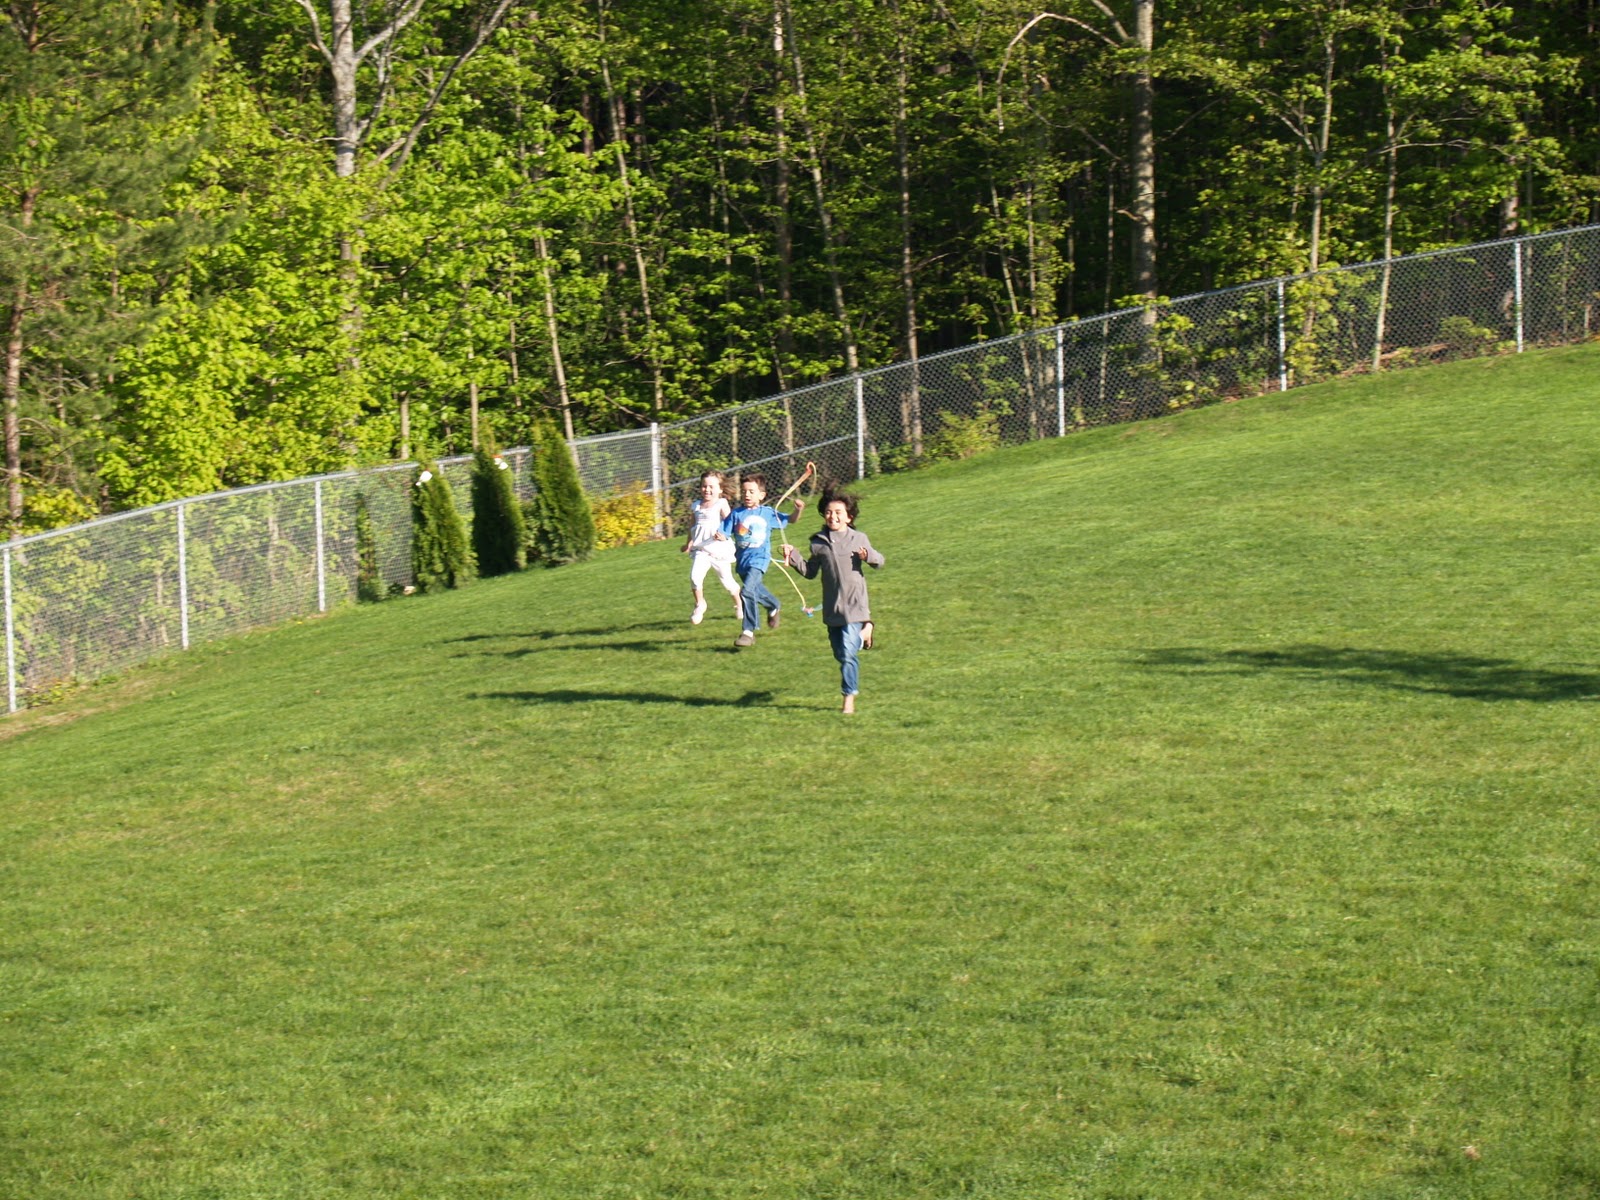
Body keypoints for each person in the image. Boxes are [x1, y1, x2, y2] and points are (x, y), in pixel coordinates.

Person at [782, 488, 884, 713]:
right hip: (832, 607)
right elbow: (810, 572)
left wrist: (869, 556)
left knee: (848, 653)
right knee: (840, 653)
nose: (833, 516)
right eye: (829, 512)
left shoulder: (859, 538)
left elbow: (880, 562)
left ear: (849, 517)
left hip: (856, 604)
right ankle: (865, 632)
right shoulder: (818, 543)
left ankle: (848, 697)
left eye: (839, 512)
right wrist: (794, 556)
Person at [724, 472, 804, 648]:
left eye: (751, 491)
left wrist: (798, 510)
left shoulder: (767, 513)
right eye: (744, 491)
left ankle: (748, 632)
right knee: (754, 590)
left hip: (759, 560)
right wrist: (719, 536)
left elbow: (790, 520)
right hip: (742, 562)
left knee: (746, 591)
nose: (747, 495)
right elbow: (724, 530)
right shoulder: (736, 514)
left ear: (761, 495)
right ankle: (773, 605)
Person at [680, 469, 741, 625]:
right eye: (704, 486)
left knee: (727, 582)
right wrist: (688, 543)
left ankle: (739, 604)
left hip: (718, 550)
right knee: (695, 577)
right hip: (701, 550)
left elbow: (731, 523)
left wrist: (725, 535)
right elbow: (692, 526)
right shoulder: (696, 506)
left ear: (720, 489)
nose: (707, 489)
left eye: (711, 487)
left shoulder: (721, 504)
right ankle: (700, 604)